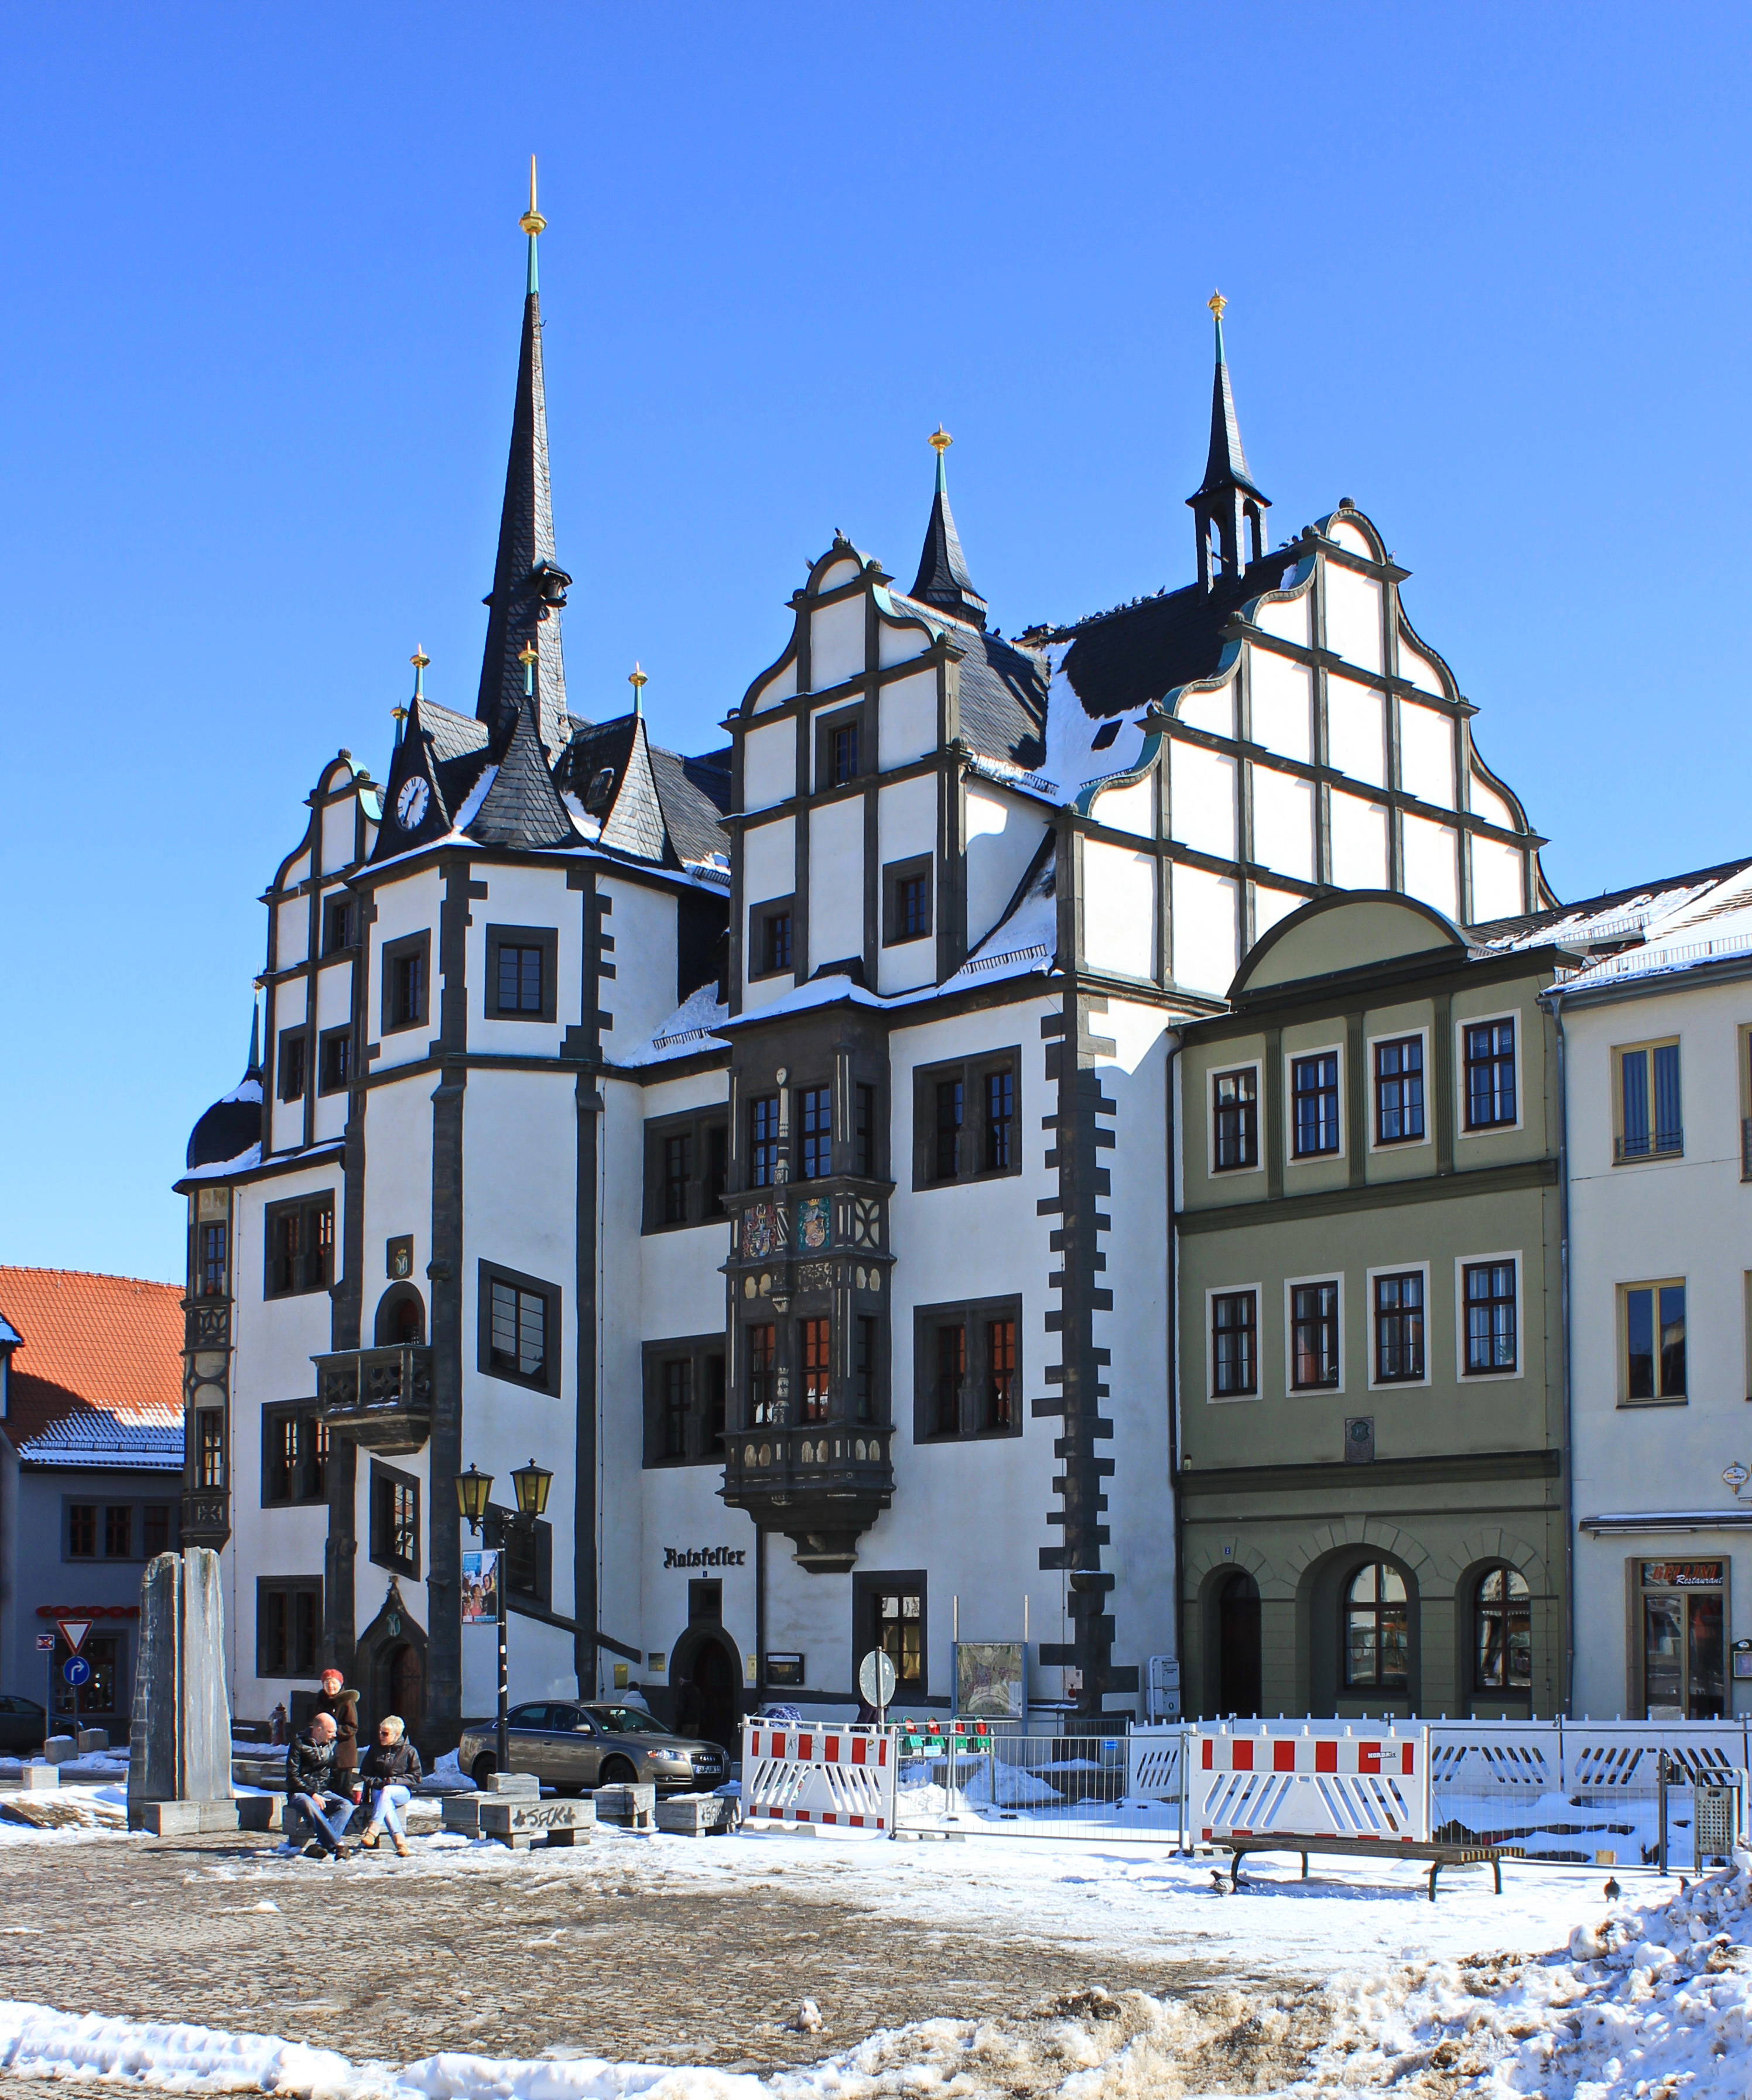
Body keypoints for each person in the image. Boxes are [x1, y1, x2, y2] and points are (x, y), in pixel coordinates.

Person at [285, 1711, 353, 1859]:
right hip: (301, 1793)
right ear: (318, 1729)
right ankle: (338, 1845)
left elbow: (334, 1772)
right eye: (330, 1732)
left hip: (323, 1791)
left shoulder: (332, 1745)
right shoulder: (299, 1745)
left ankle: (320, 1846)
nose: (334, 1735)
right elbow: (292, 1778)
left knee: (346, 1805)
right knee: (309, 1803)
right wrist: (312, 1794)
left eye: (335, 1732)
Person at [355, 1713, 422, 1856]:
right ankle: (400, 1843)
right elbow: (365, 1773)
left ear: (397, 1735)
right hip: (379, 1790)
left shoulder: (409, 1751)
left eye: (385, 1734)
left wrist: (393, 1781)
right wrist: (380, 1783)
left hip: (401, 1792)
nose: (381, 1736)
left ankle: (372, 1831)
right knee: (386, 1802)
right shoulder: (375, 1749)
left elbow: (416, 1777)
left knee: (388, 1791)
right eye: (380, 1732)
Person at [312, 1669, 358, 1778]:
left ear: (340, 1684)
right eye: (327, 1683)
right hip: (324, 1753)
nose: (331, 1686)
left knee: (342, 1791)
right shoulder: (321, 1701)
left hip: (342, 1754)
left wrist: (331, 1731)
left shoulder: (347, 1701)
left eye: (334, 1683)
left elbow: (352, 1727)